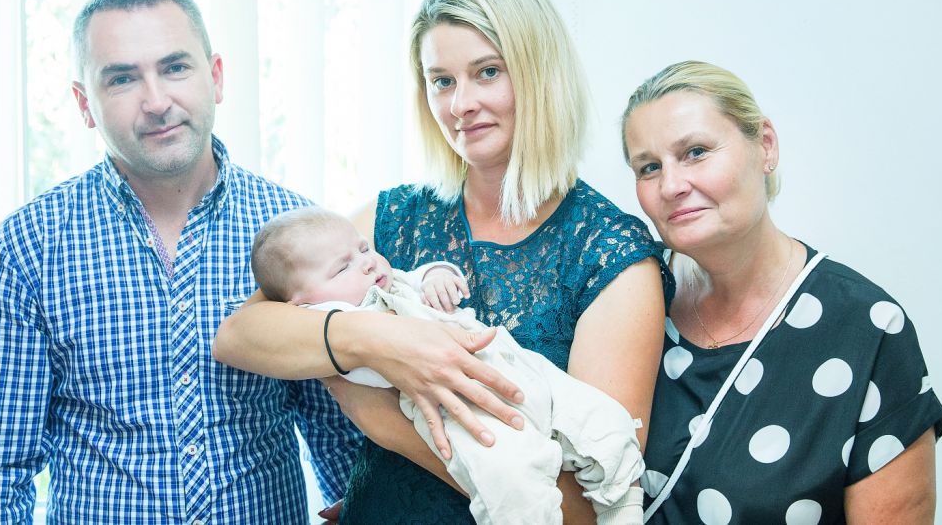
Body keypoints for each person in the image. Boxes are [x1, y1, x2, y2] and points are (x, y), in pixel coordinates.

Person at [214, 0, 670, 524]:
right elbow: (239, 336)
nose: (460, 105)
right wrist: (379, 341)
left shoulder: (609, 253)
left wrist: (383, 420)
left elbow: (589, 508)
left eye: (487, 72)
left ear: (540, 74)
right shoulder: (398, 214)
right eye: (442, 81)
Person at [0, 0, 361, 524]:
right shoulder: (24, 248)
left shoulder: (298, 232)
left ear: (216, 77)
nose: (157, 101)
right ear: (85, 104)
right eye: (122, 78)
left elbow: (341, 441)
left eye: (175, 68)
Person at [620, 60, 942, 524]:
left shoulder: (867, 329)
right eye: (649, 167)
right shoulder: (625, 291)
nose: (671, 185)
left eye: (695, 152)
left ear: (766, 146)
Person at [250, 206, 646, 525]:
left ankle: (622, 508)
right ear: (303, 305)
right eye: (343, 267)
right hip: (462, 411)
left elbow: (418, 276)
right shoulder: (336, 317)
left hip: (518, 366)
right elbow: (244, 333)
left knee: (604, 419)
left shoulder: (388, 282)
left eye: (365, 248)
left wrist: (438, 275)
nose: (367, 263)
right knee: (509, 478)